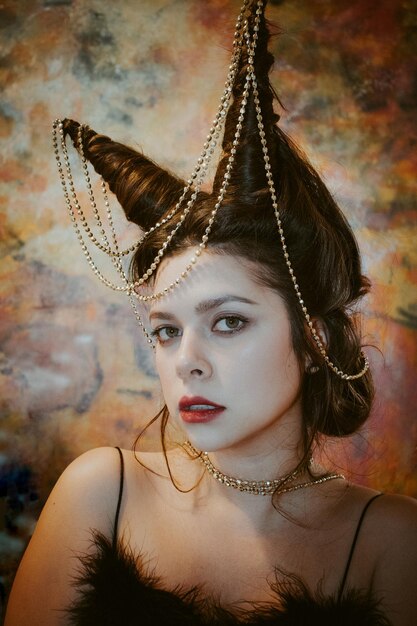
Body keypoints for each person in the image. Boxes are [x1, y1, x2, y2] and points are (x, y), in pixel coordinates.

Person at [5, 1, 417, 624]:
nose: (186, 363)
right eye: (167, 330)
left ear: (312, 339)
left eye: (228, 321)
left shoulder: (392, 541)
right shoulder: (100, 494)